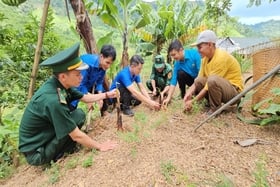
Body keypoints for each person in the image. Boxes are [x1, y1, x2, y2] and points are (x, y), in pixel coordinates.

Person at [19, 43, 118, 166]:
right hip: (37, 152)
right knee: (72, 127)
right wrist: (100, 146)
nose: (81, 78)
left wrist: (107, 95)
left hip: (46, 134)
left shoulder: (61, 84)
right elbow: (76, 135)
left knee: (79, 115)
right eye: (77, 74)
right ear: (63, 76)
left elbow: (85, 97)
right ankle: (57, 154)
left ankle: (64, 147)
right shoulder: (54, 100)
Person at [184, 30, 244, 114]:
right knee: (199, 80)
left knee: (212, 80)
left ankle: (215, 108)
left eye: (200, 47)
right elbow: (198, 79)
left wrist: (193, 101)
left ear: (209, 44)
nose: (198, 50)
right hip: (221, 88)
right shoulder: (205, 59)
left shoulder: (221, 57)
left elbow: (208, 85)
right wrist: (189, 92)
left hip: (234, 93)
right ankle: (212, 103)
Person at [71, 45, 116, 116]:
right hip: (76, 86)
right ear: (101, 56)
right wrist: (90, 98)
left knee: (103, 92)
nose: (108, 66)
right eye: (107, 62)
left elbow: (99, 83)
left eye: (110, 64)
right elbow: (80, 85)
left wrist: (100, 97)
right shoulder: (87, 64)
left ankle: (104, 112)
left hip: (89, 85)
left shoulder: (103, 67)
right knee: (72, 105)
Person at [162, 39, 201, 106]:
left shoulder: (195, 54)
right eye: (172, 55)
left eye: (174, 55)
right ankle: (183, 95)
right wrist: (168, 98)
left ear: (181, 50)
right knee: (180, 73)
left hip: (200, 80)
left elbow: (201, 73)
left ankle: (196, 93)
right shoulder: (177, 63)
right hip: (191, 82)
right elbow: (173, 82)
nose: (173, 57)